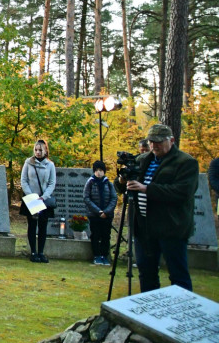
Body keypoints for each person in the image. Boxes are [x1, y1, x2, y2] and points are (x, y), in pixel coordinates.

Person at [115, 123, 199, 292]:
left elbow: (183, 192)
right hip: (145, 228)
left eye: (159, 141)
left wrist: (147, 189)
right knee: (146, 273)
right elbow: (121, 187)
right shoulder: (142, 159)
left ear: (172, 140)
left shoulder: (186, 162)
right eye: (151, 141)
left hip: (171, 227)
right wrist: (122, 181)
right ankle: (150, 313)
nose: (154, 145)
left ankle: (182, 314)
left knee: (178, 275)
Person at [20, 139, 56, 264]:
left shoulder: (50, 165)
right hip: (31, 198)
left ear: (45, 150)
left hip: (43, 199)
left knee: (42, 226)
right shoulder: (28, 162)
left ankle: (41, 252)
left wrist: (44, 196)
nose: (38, 152)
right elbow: (24, 180)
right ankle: (33, 252)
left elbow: (52, 183)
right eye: (36, 150)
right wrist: (31, 196)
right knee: (32, 225)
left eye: (40, 150)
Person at [83, 160, 117, 266]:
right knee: (95, 235)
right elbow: (86, 197)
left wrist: (106, 212)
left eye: (101, 170)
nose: (99, 173)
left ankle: (104, 255)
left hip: (107, 215)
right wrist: (98, 211)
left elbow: (114, 198)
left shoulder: (108, 183)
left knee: (106, 236)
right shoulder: (90, 182)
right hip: (94, 215)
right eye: (97, 170)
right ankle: (96, 255)